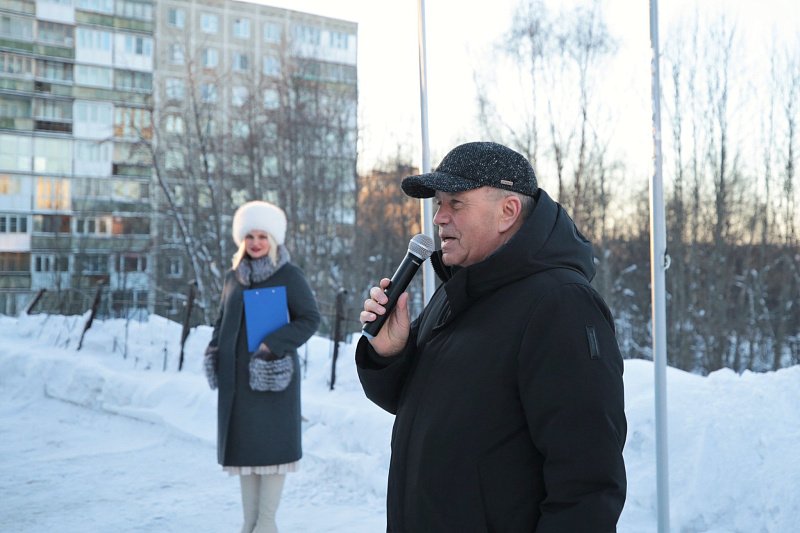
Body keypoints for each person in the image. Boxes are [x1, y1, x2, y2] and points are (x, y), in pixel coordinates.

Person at [357, 141, 627, 532]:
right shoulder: (458, 292)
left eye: (455, 203)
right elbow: (416, 407)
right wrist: (390, 354)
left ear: (508, 211)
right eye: (439, 204)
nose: (439, 218)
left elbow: (588, 482)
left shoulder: (560, 304)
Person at [204, 200, 320, 533]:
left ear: (273, 239)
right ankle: (249, 524)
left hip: (271, 379)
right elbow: (222, 320)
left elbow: (310, 319)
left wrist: (273, 345)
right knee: (246, 456)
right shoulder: (233, 277)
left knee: (272, 454)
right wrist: (214, 348)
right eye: (250, 236)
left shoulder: (289, 275)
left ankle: (266, 524)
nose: (256, 243)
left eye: (262, 236)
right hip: (237, 385)